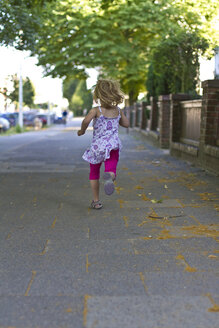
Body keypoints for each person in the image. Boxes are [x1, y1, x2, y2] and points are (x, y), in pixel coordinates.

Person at [77, 79, 129, 209]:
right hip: (112, 146)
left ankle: (96, 201)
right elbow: (126, 124)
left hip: (96, 147)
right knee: (111, 168)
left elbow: (85, 121)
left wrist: (82, 131)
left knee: (93, 173)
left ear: (98, 94)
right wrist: (119, 118)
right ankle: (109, 176)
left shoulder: (96, 110)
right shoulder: (117, 110)